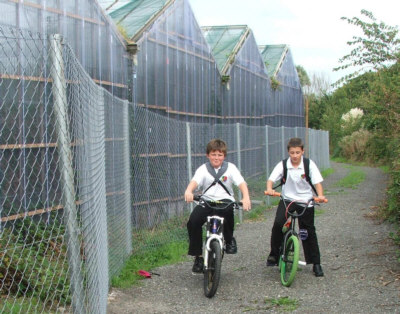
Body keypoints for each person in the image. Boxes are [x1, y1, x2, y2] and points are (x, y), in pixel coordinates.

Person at [184, 139, 251, 273]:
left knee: (228, 213)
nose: (216, 158)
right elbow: (195, 181)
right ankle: (198, 257)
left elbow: (241, 183)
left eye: (220, 155)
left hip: (224, 200)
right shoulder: (203, 169)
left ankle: (229, 240)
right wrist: (189, 191)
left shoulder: (230, 168)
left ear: (224, 156)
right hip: (207, 201)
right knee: (193, 221)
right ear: (208, 155)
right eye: (213, 154)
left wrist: (246, 197)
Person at [265, 137, 326, 277]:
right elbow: (271, 179)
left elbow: (317, 183)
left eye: (297, 152)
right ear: (288, 152)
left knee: (308, 231)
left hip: (305, 201)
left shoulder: (309, 165)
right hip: (287, 200)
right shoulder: (283, 165)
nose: (294, 156)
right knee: (278, 224)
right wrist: (269, 189)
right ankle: (274, 254)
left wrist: (321, 196)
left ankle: (316, 263)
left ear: (302, 152)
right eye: (292, 153)